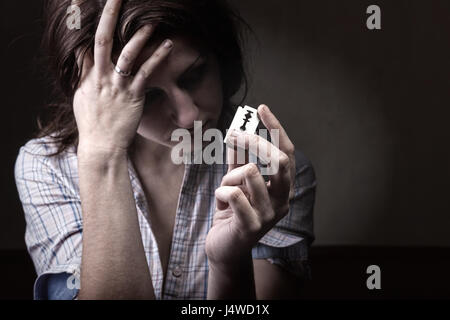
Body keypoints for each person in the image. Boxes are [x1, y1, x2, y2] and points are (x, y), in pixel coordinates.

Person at [14, 0, 316, 300]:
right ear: (93, 97)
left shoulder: (269, 169)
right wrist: (102, 155)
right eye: (148, 96)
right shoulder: (47, 166)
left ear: (219, 56)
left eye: (194, 75)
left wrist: (228, 263)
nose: (189, 116)